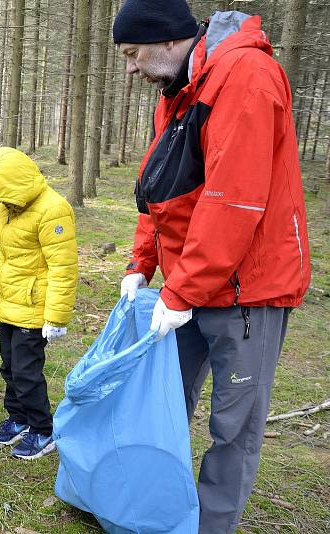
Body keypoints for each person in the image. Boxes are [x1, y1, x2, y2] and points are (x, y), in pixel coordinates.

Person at [113, 1, 311, 531]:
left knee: (234, 425)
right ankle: (157, 507)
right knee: (164, 396)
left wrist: (181, 291)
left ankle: (207, 526)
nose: (130, 67)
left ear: (167, 39)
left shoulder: (246, 76)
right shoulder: (177, 93)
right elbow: (162, 187)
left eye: (134, 54)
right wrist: (144, 261)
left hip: (250, 290)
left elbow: (234, 202)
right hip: (191, 286)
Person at [0, 147, 78, 460]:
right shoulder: (8, 208)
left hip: (35, 310)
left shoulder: (53, 210)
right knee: (9, 366)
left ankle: (43, 430)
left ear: (16, 185)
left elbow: (63, 267)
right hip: (10, 302)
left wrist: (56, 318)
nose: (0, 203)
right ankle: (18, 418)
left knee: (26, 372)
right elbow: (7, 257)